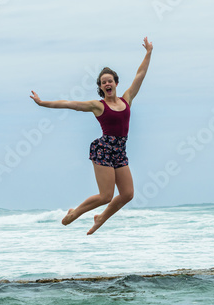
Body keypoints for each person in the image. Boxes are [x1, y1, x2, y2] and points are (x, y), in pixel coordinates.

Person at [30, 37, 153, 235]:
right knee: (106, 195)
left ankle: (100, 218)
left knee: (128, 194)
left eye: (110, 80)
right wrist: (43, 103)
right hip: (103, 149)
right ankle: (75, 212)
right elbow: (70, 104)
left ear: (116, 83)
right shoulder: (98, 106)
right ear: (101, 86)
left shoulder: (127, 99)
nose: (107, 84)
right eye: (103, 82)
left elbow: (140, 75)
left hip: (120, 150)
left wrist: (148, 53)